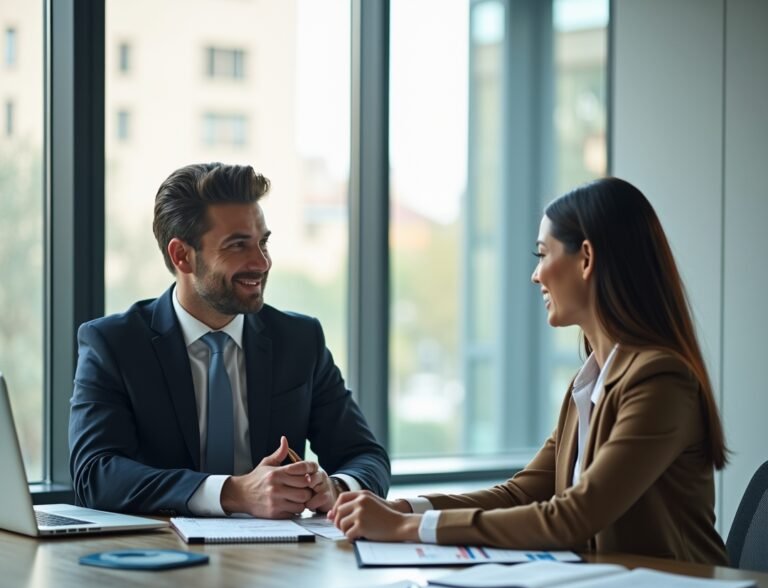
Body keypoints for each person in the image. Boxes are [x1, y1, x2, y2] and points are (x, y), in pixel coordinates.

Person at [329, 177, 728, 564]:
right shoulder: (588, 384)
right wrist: (406, 508)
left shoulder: (660, 380)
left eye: (542, 254)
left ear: (586, 259)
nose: (535, 274)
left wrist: (406, 528)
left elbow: (573, 516)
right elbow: (521, 493)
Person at [69, 162, 390, 518]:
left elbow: (366, 456)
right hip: (158, 559)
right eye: (238, 246)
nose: (262, 262)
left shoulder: (299, 341)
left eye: (263, 242)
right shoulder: (114, 344)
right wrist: (232, 492)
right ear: (182, 256)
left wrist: (337, 488)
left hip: (280, 564)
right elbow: (94, 474)